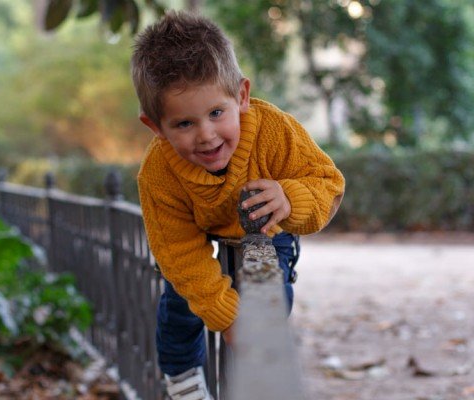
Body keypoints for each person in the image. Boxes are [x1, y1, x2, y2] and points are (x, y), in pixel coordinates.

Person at [131, 11, 345, 400]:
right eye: (184, 124)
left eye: (216, 113)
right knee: (181, 298)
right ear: (156, 127)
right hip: (200, 227)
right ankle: (183, 379)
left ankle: (262, 377)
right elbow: (178, 251)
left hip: (266, 225)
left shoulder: (274, 131)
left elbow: (328, 186)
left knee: (267, 298)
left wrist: (290, 197)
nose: (206, 136)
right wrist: (225, 315)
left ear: (242, 96)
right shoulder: (158, 173)